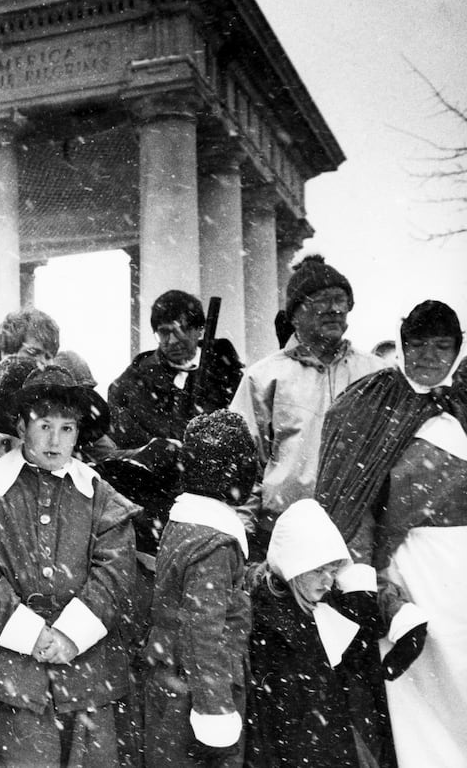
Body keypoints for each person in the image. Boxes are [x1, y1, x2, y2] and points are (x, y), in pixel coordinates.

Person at [0, 365, 138, 768]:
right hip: (12, 675)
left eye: (67, 428)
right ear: (20, 424)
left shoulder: (100, 497)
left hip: (88, 670)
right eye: (44, 425)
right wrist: (31, 636)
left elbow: (115, 571)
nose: (55, 440)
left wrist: (70, 634)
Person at [315, 300, 467, 766]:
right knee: (415, 693)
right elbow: (350, 497)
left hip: (459, 564)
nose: (429, 356)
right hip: (403, 563)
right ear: (402, 346)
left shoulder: (463, 400)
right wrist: (367, 576)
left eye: (442, 346)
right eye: (418, 344)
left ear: (458, 350)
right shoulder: (369, 401)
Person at [228, 255, 388, 554]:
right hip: (284, 532)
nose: (335, 309)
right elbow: (244, 463)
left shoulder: (376, 374)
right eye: (322, 300)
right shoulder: (263, 377)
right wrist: (244, 534)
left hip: (359, 535)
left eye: (341, 299)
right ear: (295, 314)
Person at [140, 410, 257, 768]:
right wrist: (215, 714)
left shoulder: (185, 525)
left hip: (170, 672)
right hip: (198, 691)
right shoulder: (214, 545)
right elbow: (203, 632)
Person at [245, 500, 390, 767]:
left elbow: (360, 669)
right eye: (319, 571)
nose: (328, 580)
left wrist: (360, 596)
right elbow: (267, 722)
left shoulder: (324, 607)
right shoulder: (268, 627)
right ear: (293, 567)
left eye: (333, 571)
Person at [108, 290, 243, 450]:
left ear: (199, 330)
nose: (172, 341)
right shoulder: (134, 381)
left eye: (180, 331)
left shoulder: (229, 374)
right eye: (164, 333)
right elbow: (121, 430)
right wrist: (161, 450)